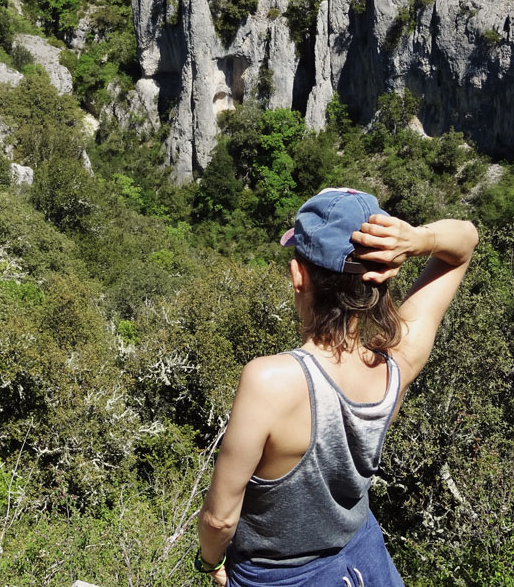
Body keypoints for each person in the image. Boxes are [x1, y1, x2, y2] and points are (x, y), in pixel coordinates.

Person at [194, 187, 479, 586]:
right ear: (382, 276)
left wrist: (211, 563)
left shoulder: (270, 381)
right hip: (367, 565)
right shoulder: (395, 365)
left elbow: (219, 519)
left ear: (298, 276)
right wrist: (418, 240)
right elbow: (465, 241)